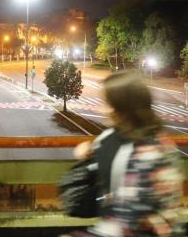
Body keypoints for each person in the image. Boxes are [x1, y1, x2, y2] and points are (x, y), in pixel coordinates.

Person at [69, 71, 184, 237]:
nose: (101, 109)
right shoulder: (155, 139)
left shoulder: (144, 155)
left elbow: (127, 222)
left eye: (106, 103)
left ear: (122, 109)